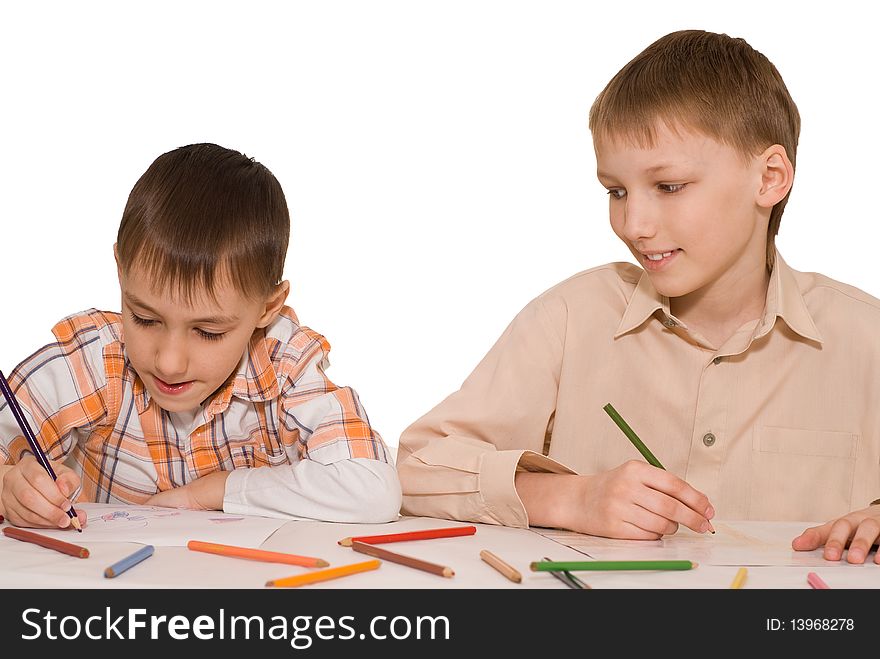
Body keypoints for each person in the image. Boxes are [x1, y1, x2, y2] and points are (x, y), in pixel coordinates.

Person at [397, 30, 880, 564]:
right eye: (616, 191)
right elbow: (417, 466)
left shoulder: (866, 338)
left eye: (669, 186)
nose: (634, 224)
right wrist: (570, 497)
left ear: (769, 178)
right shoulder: (570, 318)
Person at [0, 143, 401, 529]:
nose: (169, 362)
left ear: (267, 307)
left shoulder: (283, 363)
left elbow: (372, 489)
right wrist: (8, 487)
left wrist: (211, 492)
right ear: (121, 272)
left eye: (208, 332)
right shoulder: (92, 361)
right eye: (145, 318)